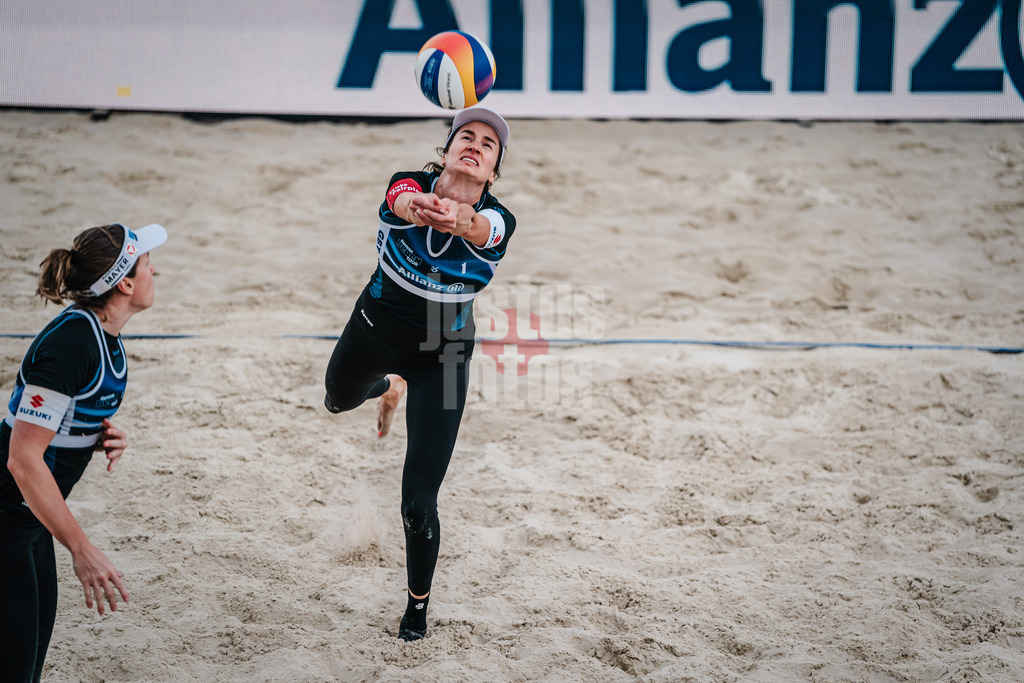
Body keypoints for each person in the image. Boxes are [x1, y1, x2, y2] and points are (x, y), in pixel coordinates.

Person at [324, 107, 516, 641]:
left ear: (493, 172)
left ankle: (417, 609)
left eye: (488, 145)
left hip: (441, 357)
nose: (475, 145)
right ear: (446, 152)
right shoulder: (408, 184)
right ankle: (389, 385)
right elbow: (400, 199)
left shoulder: (499, 220)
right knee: (336, 401)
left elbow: (482, 229)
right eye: (465, 136)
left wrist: (461, 220)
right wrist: (419, 209)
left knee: (418, 502)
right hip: (374, 332)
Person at [1, 222, 167, 682]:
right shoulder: (73, 344)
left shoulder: (103, 334)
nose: (155, 270)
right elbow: (22, 458)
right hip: (8, 518)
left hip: (31, 521)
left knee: (27, 663)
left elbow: (56, 419)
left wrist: (93, 434)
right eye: (147, 263)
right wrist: (81, 548)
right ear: (125, 284)